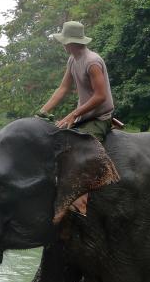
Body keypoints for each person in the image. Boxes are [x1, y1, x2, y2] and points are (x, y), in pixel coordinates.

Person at [39, 21, 115, 215]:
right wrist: (42, 112)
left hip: (100, 116)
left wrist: (74, 114)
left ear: (70, 42)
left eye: (64, 42)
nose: (63, 45)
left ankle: (80, 202)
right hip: (83, 115)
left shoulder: (92, 62)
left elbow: (101, 96)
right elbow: (63, 88)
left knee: (82, 151)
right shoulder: (73, 60)